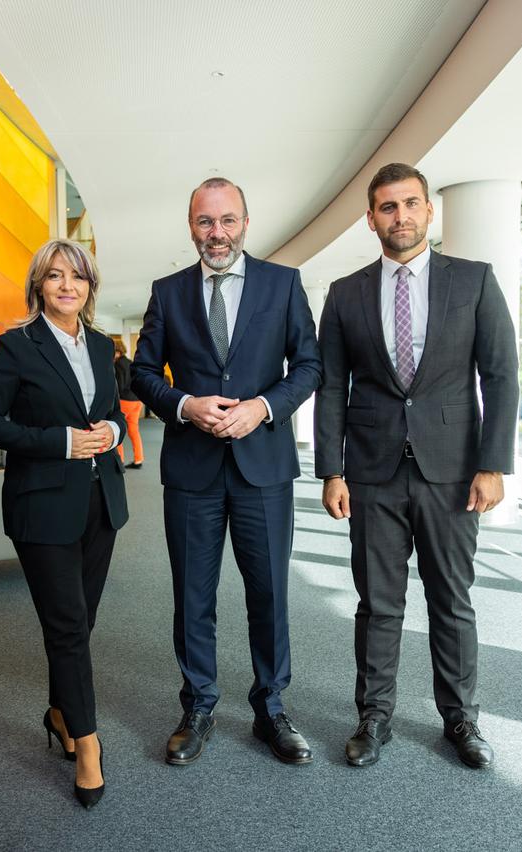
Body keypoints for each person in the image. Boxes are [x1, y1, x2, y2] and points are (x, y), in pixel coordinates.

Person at [313, 163, 519, 769]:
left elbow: (500, 375)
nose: (399, 216)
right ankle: (374, 716)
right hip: (371, 471)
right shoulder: (345, 293)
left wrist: (494, 464)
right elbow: (332, 386)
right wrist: (331, 470)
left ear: (429, 210)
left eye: (409, 204)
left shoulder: (474, 280)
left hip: (452, 471)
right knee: (378, 603)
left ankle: (461, 718)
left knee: (451, 600)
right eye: (387, 207)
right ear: (370, 219)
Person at [132, 177, 322, 766]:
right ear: (192, 226)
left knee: (269, 594)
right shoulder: (167, 292)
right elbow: (142, 373)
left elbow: (309, 366)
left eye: (227, 220)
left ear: (245, 222)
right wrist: (184, 405)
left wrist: (262, 407)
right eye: (205, 221)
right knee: (193, 595)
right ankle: (198, 706)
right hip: (192, 470)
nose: (217, 233)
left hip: (263, 466)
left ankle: (271, 708)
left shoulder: (283, 284)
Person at [0, 239, 128, 809]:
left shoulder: (102, 345)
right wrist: (59, 442)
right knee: (66, 626)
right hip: (42, 506)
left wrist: (111, 431)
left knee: (80, 622)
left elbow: (111, 411)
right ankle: (87, 746)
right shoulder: (16, 345)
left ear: (90, 287)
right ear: (38, 284)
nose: (67, 285)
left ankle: (60, 711)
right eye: (55, 275)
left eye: (77, 276)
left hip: (100, 502)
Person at [112, 339, 144, 469]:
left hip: (125, 401)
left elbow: (119, 385)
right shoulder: (130, 362)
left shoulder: (118, 364)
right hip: (136, 401)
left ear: (118, 352)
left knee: (117, 429)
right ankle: (138, 459)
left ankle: (119, 460)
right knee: (133, 430)